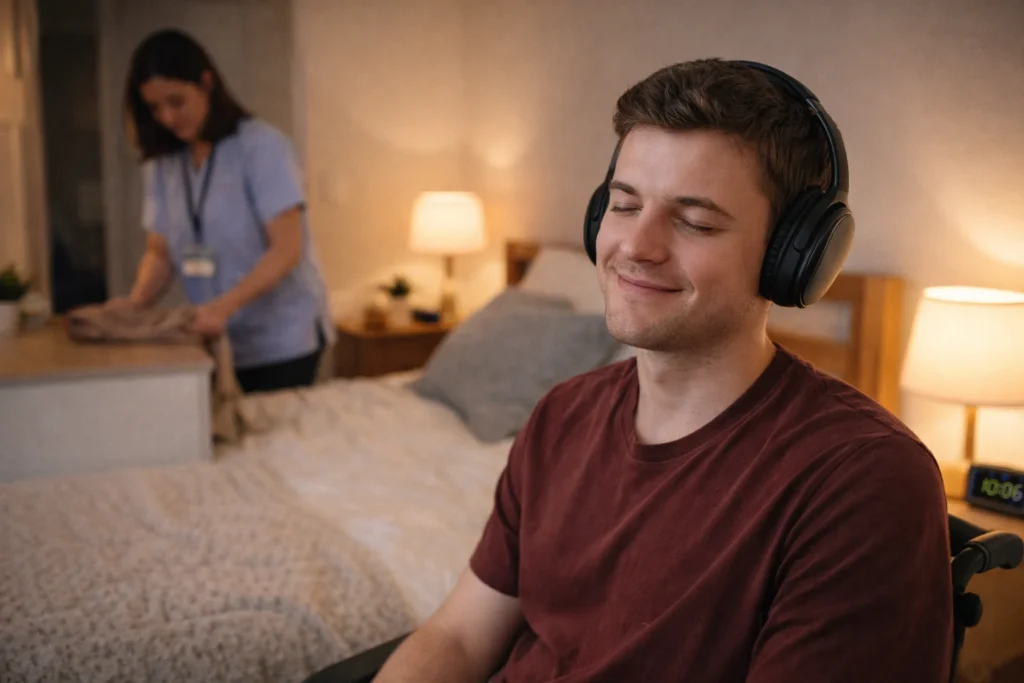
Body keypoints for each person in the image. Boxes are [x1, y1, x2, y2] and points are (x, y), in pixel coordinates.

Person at [371, 59, 953, 682]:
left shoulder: (861, 482)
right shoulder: (561, 415)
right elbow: (458, 638)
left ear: (793, 258)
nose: (636, 247)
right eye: (624, 206)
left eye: (695, 221)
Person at [111, 28, 333, 393]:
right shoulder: (165, 163)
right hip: (219, 337)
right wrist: (134, 306)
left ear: (206, 83)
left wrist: (222, 308)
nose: (166, 117)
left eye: (176, 101)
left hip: (281, 337)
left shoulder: (261, 147)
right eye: (154, 107)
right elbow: (161, 252)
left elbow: (286, 249)